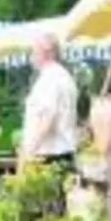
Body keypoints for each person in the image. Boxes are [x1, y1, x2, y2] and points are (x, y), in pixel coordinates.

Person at [20, 33, 81, 174]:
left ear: (47, 52)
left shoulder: (50, 79)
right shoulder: (65, 77)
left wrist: (29, 148)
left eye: (34, 52)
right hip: (63, 150)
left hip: (49, 153)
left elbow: (48, 116)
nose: (32, 57)